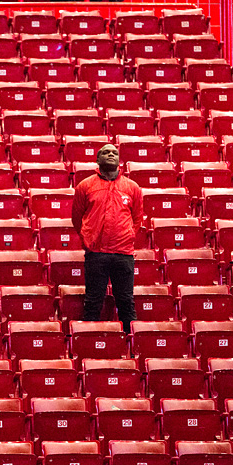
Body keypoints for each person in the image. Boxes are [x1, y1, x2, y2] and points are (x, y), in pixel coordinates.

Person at [71, 143, 143, 333]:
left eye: (114, 152)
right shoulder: (85, 186)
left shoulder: (132, 187)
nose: (111, 154)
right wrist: (89, 238)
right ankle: (89, 340)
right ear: (97, 159)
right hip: (96, 253)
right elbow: (77, 218)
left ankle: (130, 344)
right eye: (105, 152)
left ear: (119, 160)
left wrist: (127, 237)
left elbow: (137, 218)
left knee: (126, 301)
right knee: (93, 301)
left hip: (123, 254)